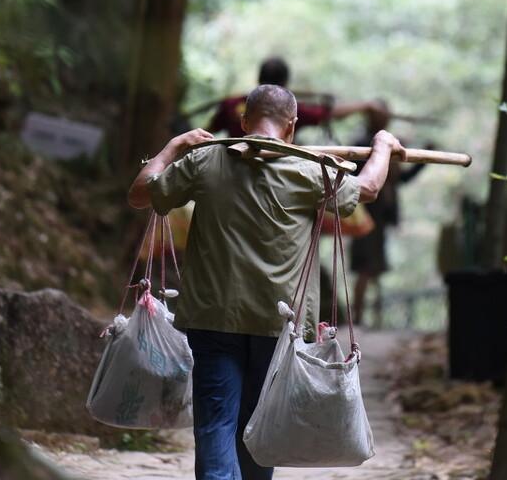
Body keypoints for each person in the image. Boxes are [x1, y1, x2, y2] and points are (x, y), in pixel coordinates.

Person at [128, 84, 404, 480]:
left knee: (216, 423)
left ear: (243, 123)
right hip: (280, 325)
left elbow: (141, 194)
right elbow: (368, 189)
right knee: (261, 426)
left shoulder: (205, 161)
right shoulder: (312, 170)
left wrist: (173, 147)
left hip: (213, 317)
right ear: (291, 127)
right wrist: (382, 146)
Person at [350, 102, 428, 328]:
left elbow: (400, 179)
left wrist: (421, 162)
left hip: (381, 218)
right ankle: (359, 317)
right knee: (365, 267)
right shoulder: (362, 145)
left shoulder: (388, 150)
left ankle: (375, 317)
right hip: (363, 215)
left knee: (376, 267)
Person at [207, 56, 378, 137]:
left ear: (258, 78)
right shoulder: (291, 111)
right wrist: (365, 106)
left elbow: (208, 131)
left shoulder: (231, 104)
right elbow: (329, 113)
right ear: (285, 82)